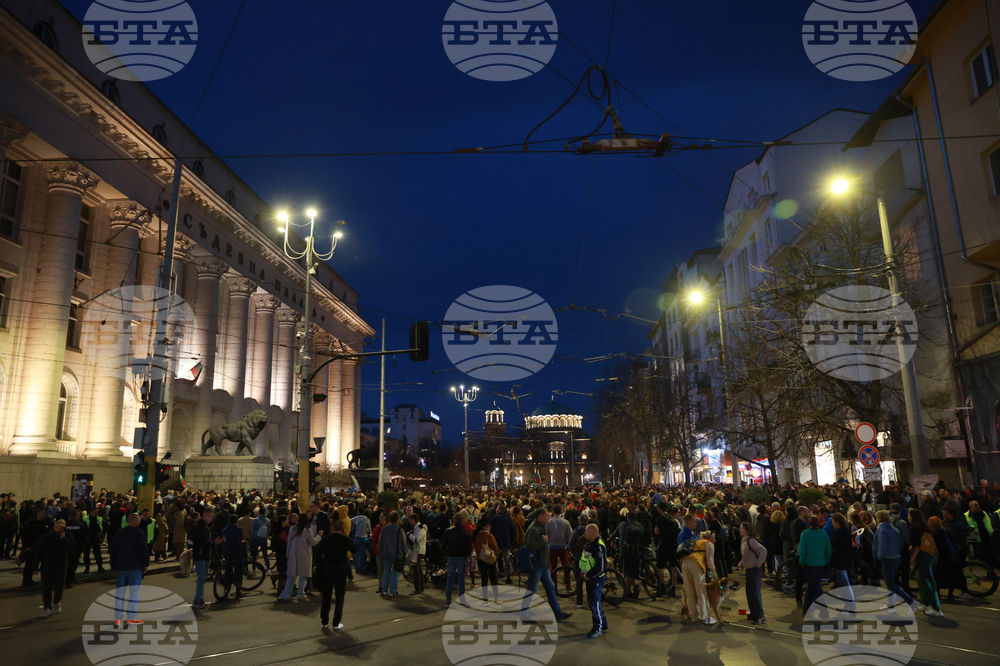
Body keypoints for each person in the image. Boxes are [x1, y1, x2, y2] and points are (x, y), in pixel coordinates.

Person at [522, 508, 572, 622]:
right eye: (546, 516)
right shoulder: (534, 529)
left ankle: (557, 613)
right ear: (540, 517)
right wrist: (543, 542)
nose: (548, 517)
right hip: (537, 564)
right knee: (532, 590)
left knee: (550, 587)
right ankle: (524, 615)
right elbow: (530, 545)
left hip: (542, 564)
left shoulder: (540, 527)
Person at [314, 519, 356, 630]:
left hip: (328, 569)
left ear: (333, 528)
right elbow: (354, 550)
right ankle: (336, 622)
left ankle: (324, 620)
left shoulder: (326, 539)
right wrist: (348, 537)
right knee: (339, 597)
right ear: (342, 529)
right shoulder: (345, 540)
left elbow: (318, 553)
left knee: (326, 596)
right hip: (341, 570)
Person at [109, 513, 149, 627]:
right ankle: (131, 617)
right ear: (136, 521)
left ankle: (118, 618)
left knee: (120, 593)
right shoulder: (139, 533)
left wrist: (113, 566)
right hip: (135, 567)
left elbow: (113, 550)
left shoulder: (119, 533)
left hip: (121, 567)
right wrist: (145, 564)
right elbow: (143, 550)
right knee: (134, 593)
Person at [873, 510, 916, 610]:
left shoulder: (881, 529)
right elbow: (901, 542)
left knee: (890, 583)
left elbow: (882, 545)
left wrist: (879, 556)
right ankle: (890, 604)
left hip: (888, 559)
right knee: (891, 582)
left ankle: (910, 601)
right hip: (897, 557)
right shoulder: (893, 528)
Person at [36, 519, 75, 618]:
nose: (58, 530)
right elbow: (38, 552)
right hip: (47, 565)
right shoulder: (46, 537)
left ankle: (57, 602)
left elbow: (72, 548)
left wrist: (64, 539)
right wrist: (35, 566)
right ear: (54, 526)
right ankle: (47, 607)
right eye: (57, 527)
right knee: (46, 587)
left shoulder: (67, 536)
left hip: (61, 565)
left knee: (59, 585)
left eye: (60, 528)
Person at [279, 512, 322, 601]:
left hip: (293, 555)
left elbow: (289, 544)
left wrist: (287, 555)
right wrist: (319, 536)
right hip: (304, 555)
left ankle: (285, 594)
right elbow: (313, 542)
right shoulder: (307, 531)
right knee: (303, 576)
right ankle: (300, 593)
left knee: (291, 576)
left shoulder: (292, 529)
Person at [908, 510, 943, 616]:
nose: (907, 517)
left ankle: (936, 608)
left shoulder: (915, 527)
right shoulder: (925, 526)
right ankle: (926, 603)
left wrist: (913, 557)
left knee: (928, 582)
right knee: (922, 579)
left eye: (909, 516)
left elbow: (918, 545)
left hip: (924, 556)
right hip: (932, 554)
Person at [679, 530, 717, 625]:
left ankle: (694, 616)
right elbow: (710, 562)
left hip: (684, 563)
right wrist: (715, 576)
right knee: (701, 592)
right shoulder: (709, 544)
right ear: (709, 538)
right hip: (696, 563)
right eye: (714, 538)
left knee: (690, 591)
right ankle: (704, 617)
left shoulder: (696, 541)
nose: (715, 540)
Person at [580, 524, 608, 638]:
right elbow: (585, 559)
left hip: (595, 579)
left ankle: (598, 627)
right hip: (590, 578)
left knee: (594, 604)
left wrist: (589, 575)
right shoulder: (589, 544)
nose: (584, 533)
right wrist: (583, 573)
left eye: (586, 531)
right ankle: (603, 623)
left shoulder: (598, 546)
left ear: (592, 532)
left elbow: (601, 566)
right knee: (595, 603)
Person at [191, 507, 222, 611]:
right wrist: (213, 542)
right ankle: (199, 599)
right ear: (204, 515)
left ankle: (198, 599)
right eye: (209, 516)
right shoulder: (199, 527)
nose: (210, 518)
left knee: (203, 577)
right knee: (201, 578)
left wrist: (218, 539)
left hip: (207, 555)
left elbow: (212, 537)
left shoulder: (210, 526)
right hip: (200, 555)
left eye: (212, 516)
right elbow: (200, 542)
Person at [799, 515, 831, 614]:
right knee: (813, 586)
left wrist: (801, 561)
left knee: (816, 588)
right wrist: (827, 559)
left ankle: (824, 610)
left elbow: (802, 550)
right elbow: (828, 549)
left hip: (809, 563)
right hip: (821, 563)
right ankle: (806, 608)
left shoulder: (805, 534)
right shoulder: (823, 534)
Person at [737, 522, 766, 625]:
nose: (740, 530)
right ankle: (754, 613)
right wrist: (742, 562)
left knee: (754, 592)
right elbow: (746, 554)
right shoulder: (744, 540)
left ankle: (759, 616)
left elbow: (763, 551)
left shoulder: (751, 541)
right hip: (749, 568)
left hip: (754, 569)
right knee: (750, 592)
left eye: (742, 528)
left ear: (747, 530)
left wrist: (759, 562)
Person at [442, 514, 472, 607]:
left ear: (454, 520)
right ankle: (462, 600)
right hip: (461, 557)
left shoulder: (448, 531)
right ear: (462, 521)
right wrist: (466, 555)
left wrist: (447, 553)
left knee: (450, 578)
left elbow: (443, 545)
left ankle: (448, 600)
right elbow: (468, 547)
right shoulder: (465, 532)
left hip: (451, 556)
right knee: (461, 579)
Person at [828, 512, 855, 608]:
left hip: (841, 561)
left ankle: (850, 606)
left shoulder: (840, 532)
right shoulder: (844, 530)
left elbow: (836, 545)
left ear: (838, 523)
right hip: (843, 561)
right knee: (843, 583)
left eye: (833, 522)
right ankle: (848, 605)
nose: (832, 524)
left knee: (844, 584)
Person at [377, 511, 406, 600]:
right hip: (397, 555)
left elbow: (380, 542)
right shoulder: (399, 530)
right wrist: (405, 553)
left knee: (386, 572)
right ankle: (392, 592)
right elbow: (403, 544)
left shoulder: (384, 529)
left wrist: (381, 551)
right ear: (398, 519)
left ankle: (384, 591)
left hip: (386, 554)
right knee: (395, 574)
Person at [545, 505, 572, 593]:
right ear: (561, 511)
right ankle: (568, 585)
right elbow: (569, 536)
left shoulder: (549, 522)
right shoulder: (566, 522)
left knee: (553, 567)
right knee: (565, 566)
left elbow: (546, 534)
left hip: (552, 546)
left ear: (553, 511)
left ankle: (554, 585)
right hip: (563, 547)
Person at [473, 521, 500, 604]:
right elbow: (496, 548)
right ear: (484, 527)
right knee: (493, 578)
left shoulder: (475, 535)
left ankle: (485, 599)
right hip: (489, 559)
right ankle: (496, 598)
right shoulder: (489, 535)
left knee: (484, 579)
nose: (490, 528)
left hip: (480, 559)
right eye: (489, 526)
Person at [220, 515, 246, 600]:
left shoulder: (224, 530)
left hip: (226, 552)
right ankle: (238, 590)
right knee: (239, 569)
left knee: (228, 568)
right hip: (236, 552)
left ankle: (226, 582)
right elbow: (241, 539)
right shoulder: (239, 529)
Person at [489, 503, 515, 584]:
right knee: (506, 559)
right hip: (505, 541)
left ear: (499, 510)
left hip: (495, 541)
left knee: (495, 560)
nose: (496, 510)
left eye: (497, 509)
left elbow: (490, 530)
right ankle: (508, 577)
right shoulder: (509, 519)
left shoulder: (493, 519)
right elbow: (513, 531)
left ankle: (495, 577)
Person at [406, 514, 426, 596]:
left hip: (419, 550)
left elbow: (416, 540)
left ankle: (418, 589)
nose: (410, 521)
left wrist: (409, 535)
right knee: (418, 569)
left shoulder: (420, 528)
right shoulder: (415, 528)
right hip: (416, 550)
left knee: (416, 570)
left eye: (411, 519)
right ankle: (421, 587)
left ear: (415, 520)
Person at [82, 507, 105, 573]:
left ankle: (100, 567)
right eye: (95, 512)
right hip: (87, 539)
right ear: (90, 512)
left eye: (97, 512)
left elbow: (103, 527)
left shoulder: (99, 518)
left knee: (97, 553)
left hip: (96, 538)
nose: (96, 513)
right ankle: (87, 567)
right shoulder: (85, 518)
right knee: (86, 554)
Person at [250, 508, 271, 573]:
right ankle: (268, 569)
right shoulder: (268, 520)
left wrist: (253, 537)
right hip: (263, 539)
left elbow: (252, 530)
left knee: (254, 555)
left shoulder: (256, 520)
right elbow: (268, 530)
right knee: (265, 555)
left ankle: (254, 570)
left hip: (256, 539)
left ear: (259, 512)